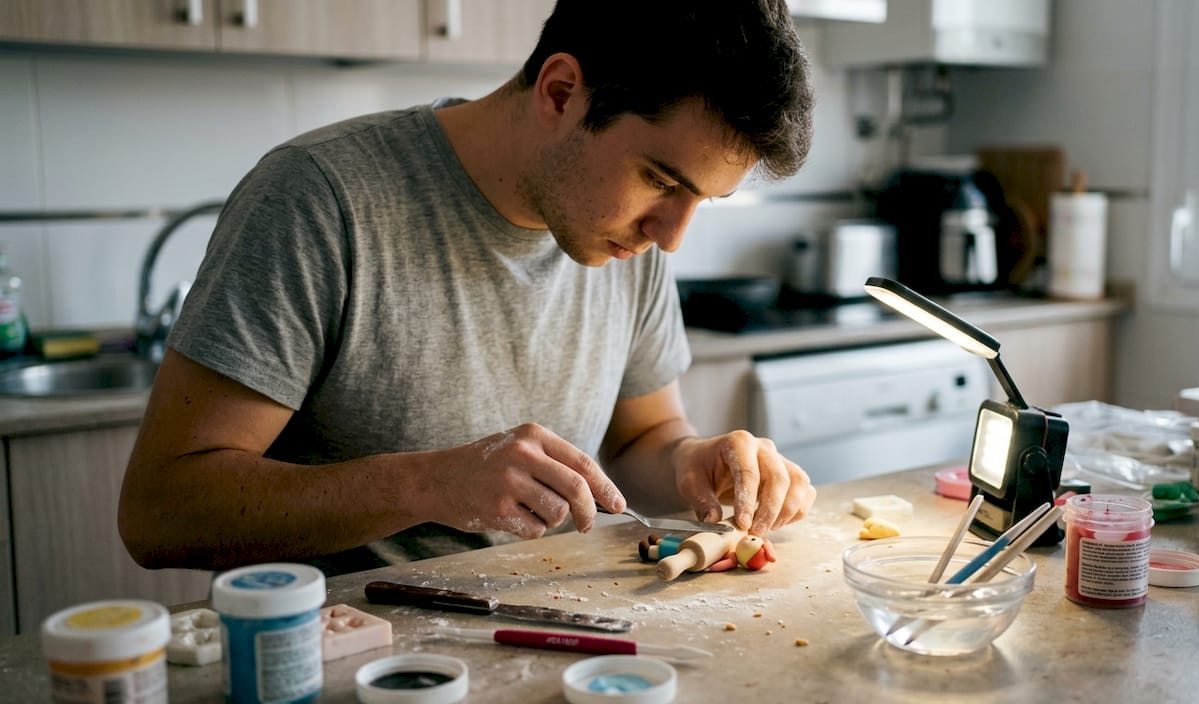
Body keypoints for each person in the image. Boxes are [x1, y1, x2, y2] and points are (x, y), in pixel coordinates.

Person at [118, 0, 818, 576]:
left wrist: (694, 462)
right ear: (561, 93)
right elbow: (160, 514)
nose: (671, 236)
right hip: (343, 660)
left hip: (551, 632)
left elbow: (642, 438)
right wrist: (423, 485)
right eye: (663, 182)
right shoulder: (319, 199)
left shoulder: (629, 235)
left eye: (701, 201)